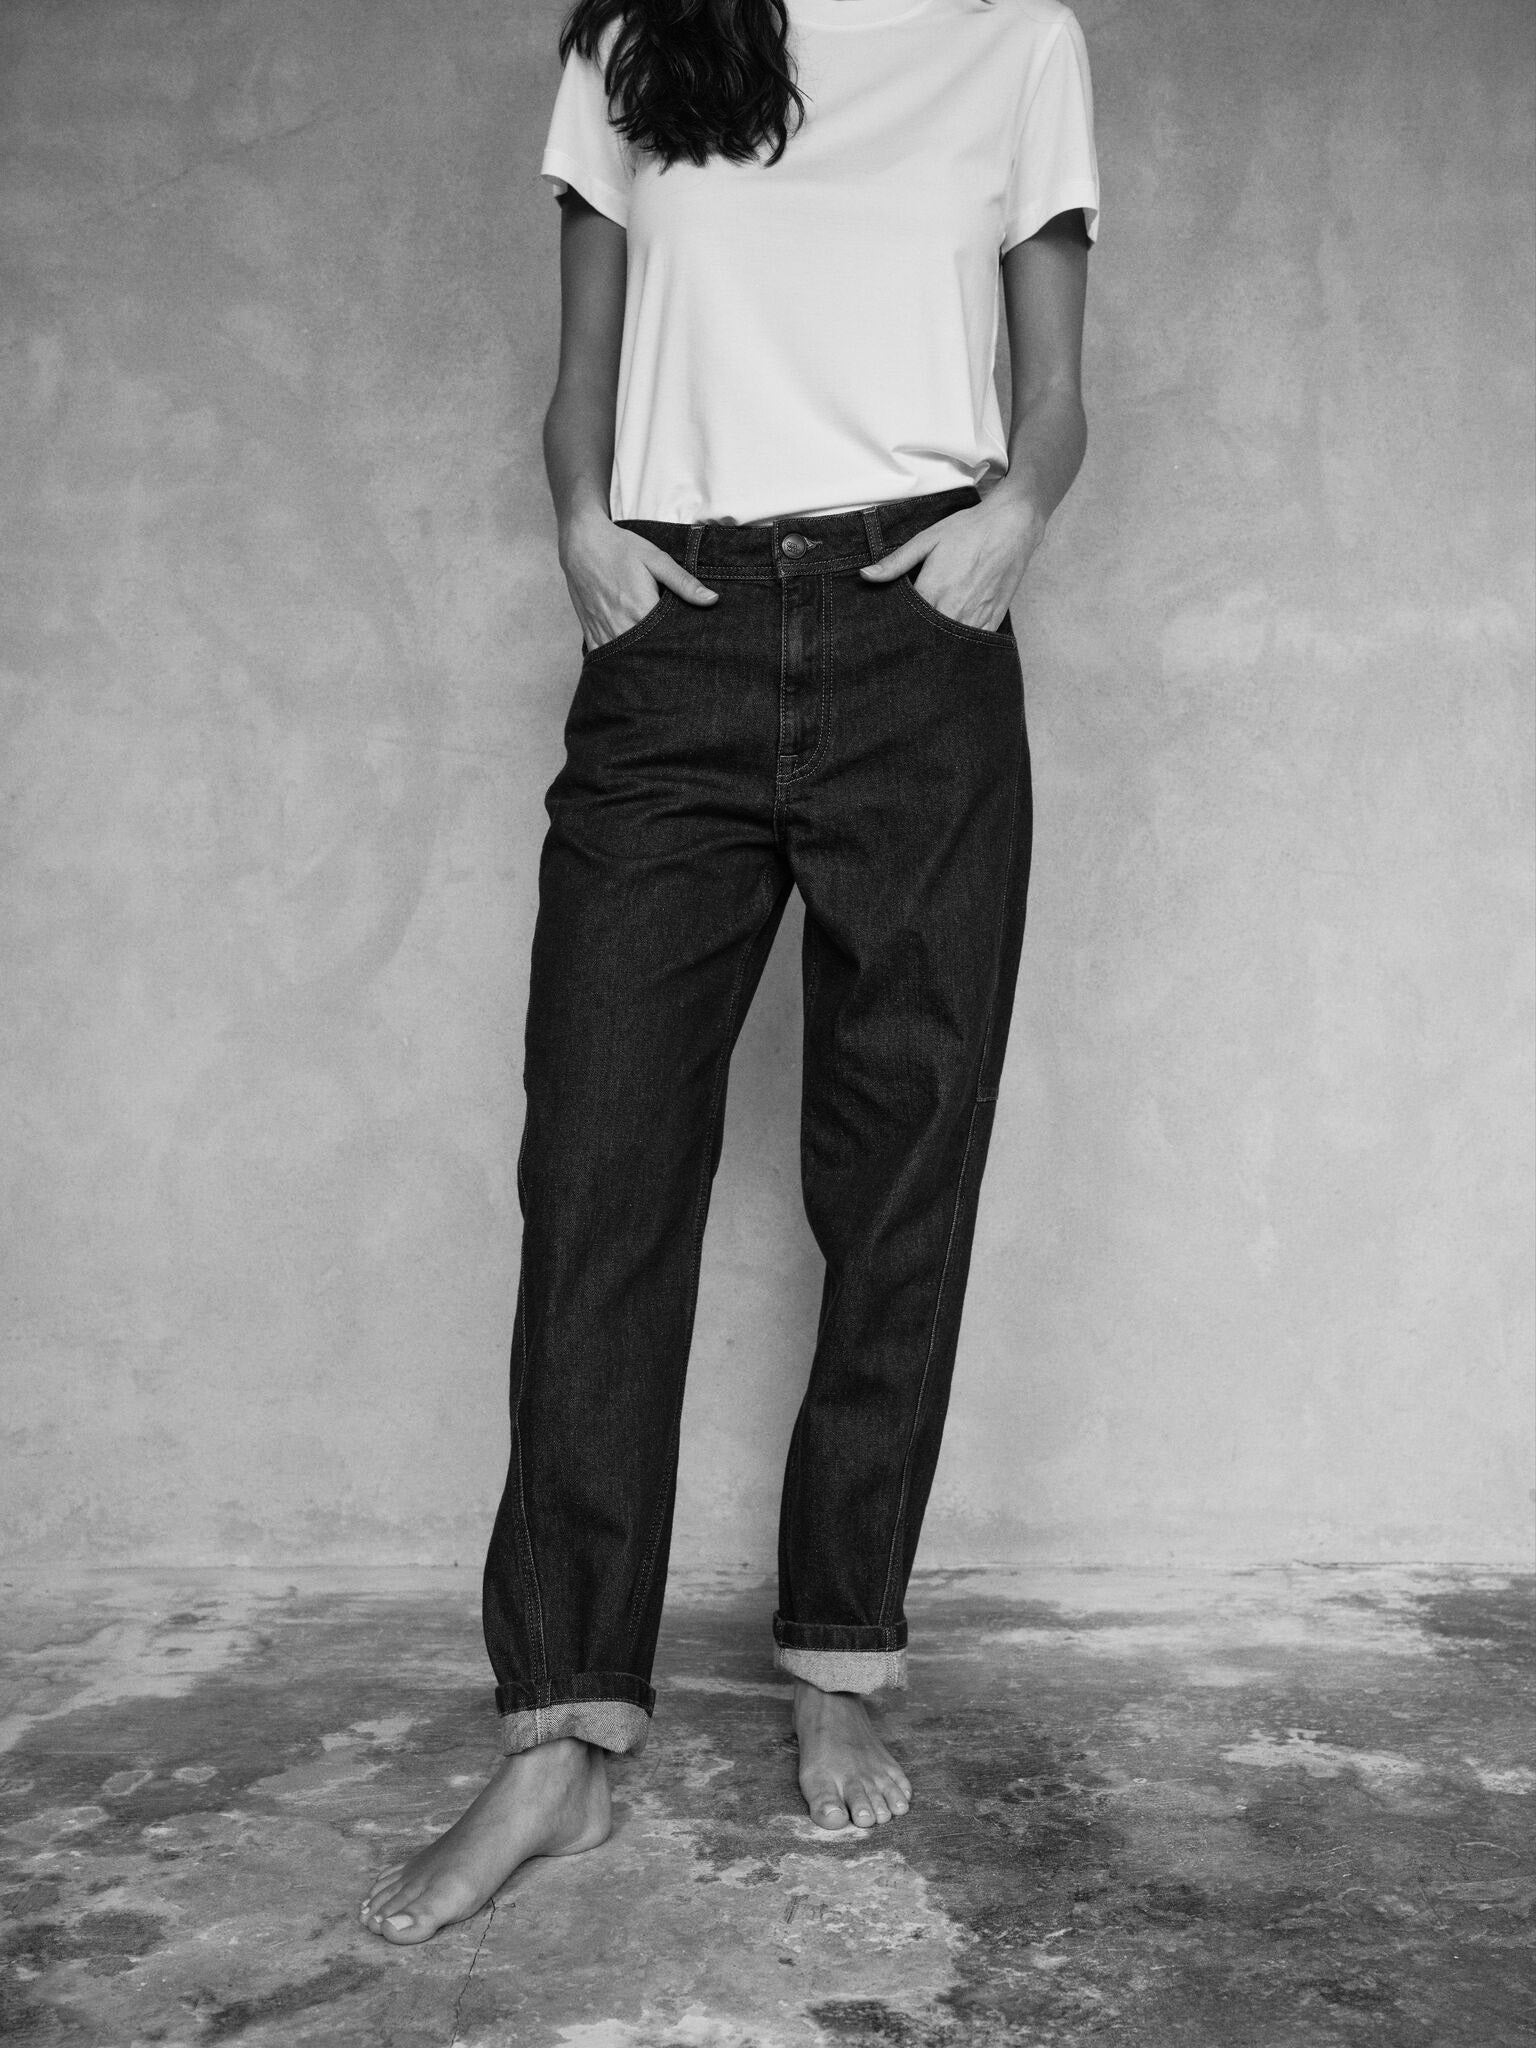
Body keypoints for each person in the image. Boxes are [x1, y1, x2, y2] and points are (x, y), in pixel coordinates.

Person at [362, 0, 1099, 1945]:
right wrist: (581, 529)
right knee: (599, 1175)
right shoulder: (639, 43)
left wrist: (1013, 520)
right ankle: (562, 1732)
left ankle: (841, 1655)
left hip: (917, 638)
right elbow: (582, 378)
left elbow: (1057, 392)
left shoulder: (1013, 38)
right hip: (673, 640)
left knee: (899, 1168)